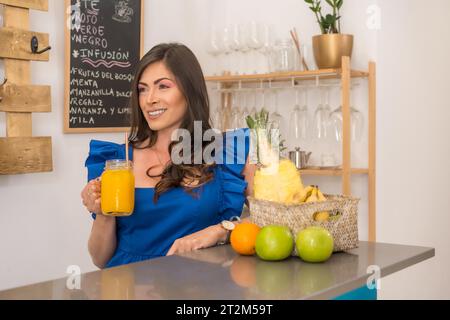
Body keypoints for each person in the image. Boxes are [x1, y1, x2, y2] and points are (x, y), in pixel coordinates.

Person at [81, 43, 255, 269]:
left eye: (163, 86)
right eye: (142, 89)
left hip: (198, 292)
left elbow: (272, 221)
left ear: (190, 91)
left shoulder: (229, 152)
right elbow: (100, 259)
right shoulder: (117, 159)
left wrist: (219, 231)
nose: (149, 99)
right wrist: (103, 213)